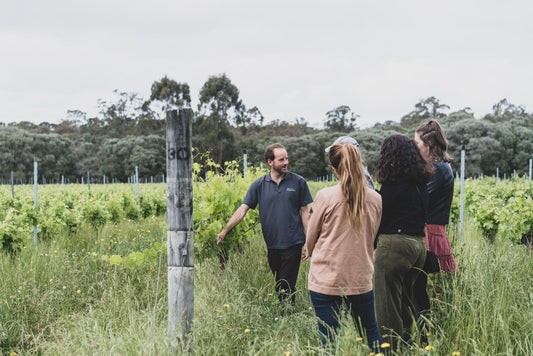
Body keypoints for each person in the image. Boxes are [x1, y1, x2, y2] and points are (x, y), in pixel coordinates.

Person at [303, 142, 383, 351]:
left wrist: (309, 250)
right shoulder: (376, 199)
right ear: (359, 164)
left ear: (334, 169)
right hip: (360, 277)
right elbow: (372, 237)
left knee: (329, 343)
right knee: (371, 335)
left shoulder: (325, 196)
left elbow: (311, 236)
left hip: (326, 278)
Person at [217, 143, 313, 304]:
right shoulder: (259, 185)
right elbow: (242, 210)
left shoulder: (298, 182)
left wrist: (308, 241)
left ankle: (286, 315)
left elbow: (305, 211)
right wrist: (225, 230)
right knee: (279, 283)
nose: (286, 162)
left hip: (293, 242)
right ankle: (285, 313)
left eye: (287, 158)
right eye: (281, 159)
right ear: (270, 162)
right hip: (272, 245)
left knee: (286, 284)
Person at [373, 134, 434, 348]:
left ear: (390, 155)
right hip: (418, 246)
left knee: (387, 304)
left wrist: (372, 244)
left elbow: (381, 218)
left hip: (395, 245)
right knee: (406, 301)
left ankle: (391, 349)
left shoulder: (393, 184)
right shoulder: (420, 183)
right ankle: (408, 345)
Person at [414, 120, 457, 273]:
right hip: (431, 230)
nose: (415, 147)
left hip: (430, 233)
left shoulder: (437, 168)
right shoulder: (438, 166)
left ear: (429, 144)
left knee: (431, 284)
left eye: (417, 142)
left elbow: (419, 200)